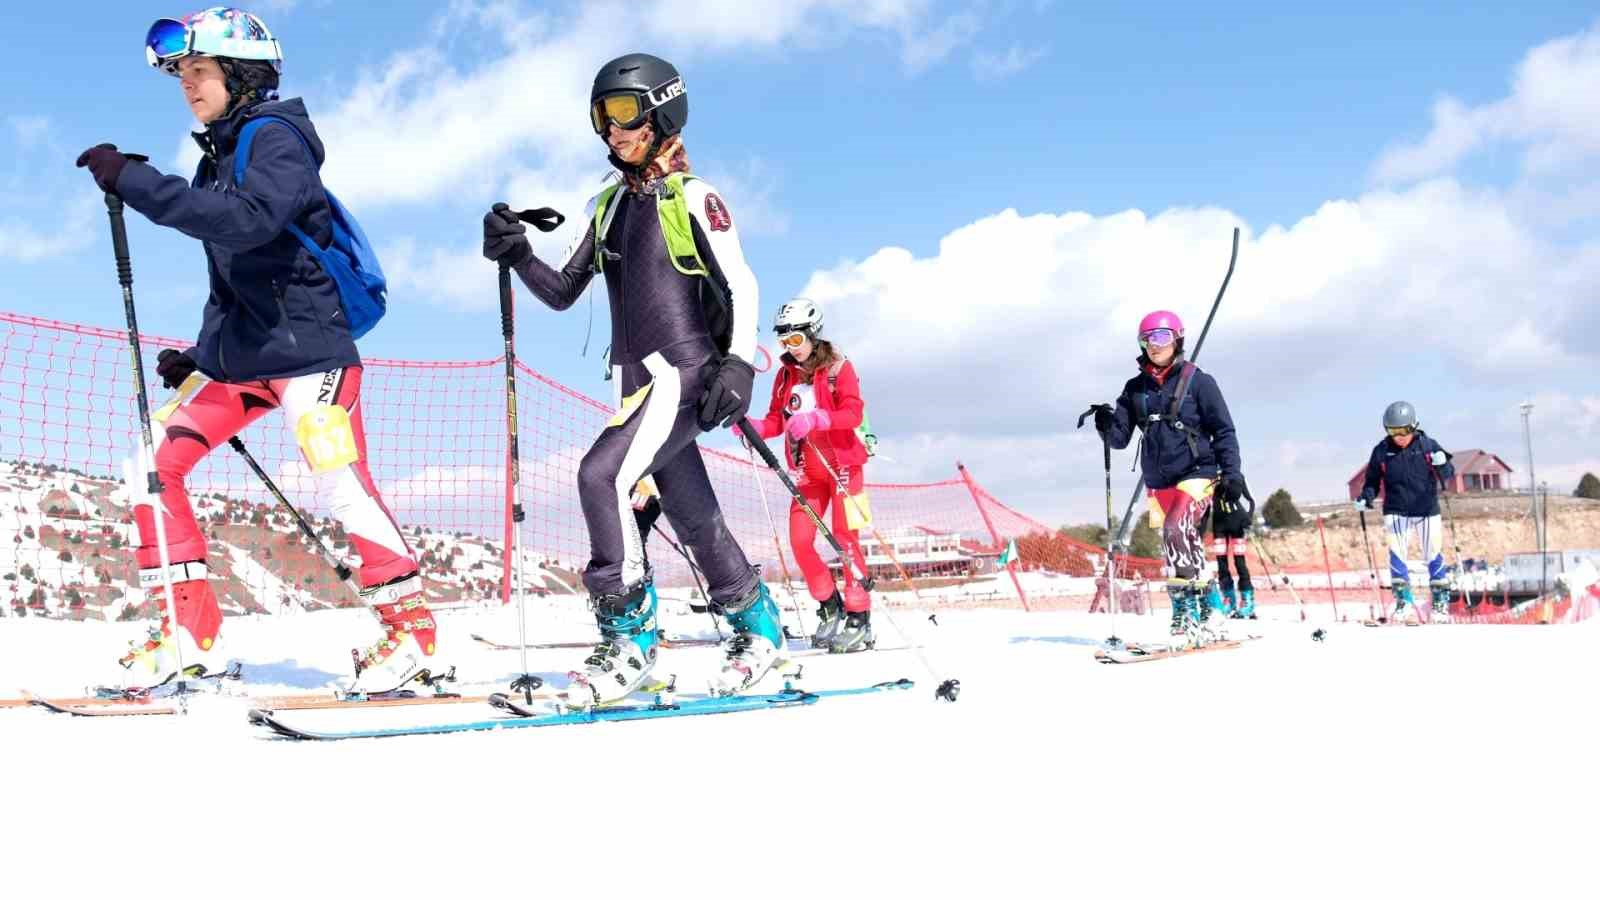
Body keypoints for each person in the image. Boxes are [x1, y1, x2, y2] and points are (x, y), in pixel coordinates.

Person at [75, 7, 429, 693]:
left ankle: (410, 630)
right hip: (244, 362)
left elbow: (251, 222)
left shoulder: (276, 139)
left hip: (312, 358)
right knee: (152, 461)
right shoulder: (216, 160)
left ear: (239, 75)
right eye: (181, 73)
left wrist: (138, 184)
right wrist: (202, 356)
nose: (187, 83)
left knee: (339, 481)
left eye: (199, 70)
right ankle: (189, 631)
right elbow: (236, 280)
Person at [482, 53, 780, 702]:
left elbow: (741, 283)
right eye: (599, 117)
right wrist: (518, 252)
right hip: (639, 383)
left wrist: (737, 364)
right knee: (693, 515)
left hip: (685, 371)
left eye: (620, 112)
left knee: (600, 475)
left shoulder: (694, 196)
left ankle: (631, 641)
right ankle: (759, 628)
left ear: (660, 109)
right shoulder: (609, 205)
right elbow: (563, 290)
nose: (609, 130)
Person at [1096, 310, 1245, 636]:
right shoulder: (1135, 389)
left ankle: (1186, 611)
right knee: (1179, 543)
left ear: (1177, 338)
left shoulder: (1199, 382)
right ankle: (1206, 610)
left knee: (1175, 528)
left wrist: (1231, 474)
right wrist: (1106, 424)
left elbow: (1224, 431)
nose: (1154, 344)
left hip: (1199, 473)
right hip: (1158, 479)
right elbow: (1119, 439)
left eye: (1161, 337)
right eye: (1147, 339)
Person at [747, 300, 874, 652]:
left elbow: (853, 411)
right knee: (801, 541)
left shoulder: (838, 368)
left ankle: (859, 615)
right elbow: (777, 419)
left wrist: (819, 418)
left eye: (796, 339)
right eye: (784, 341)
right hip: (808, 472)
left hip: (844, 466)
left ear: (813, 334)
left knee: (845, 539)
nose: (791, 348)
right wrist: (756, 427)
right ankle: (829, 604)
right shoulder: (785, 375)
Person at [1353, 401, 1456, 623]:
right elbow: (1371, 481)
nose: (1399, 436)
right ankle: (1403, 602)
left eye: (1404, 431)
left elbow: (1448, 474)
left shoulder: (1428, 445)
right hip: (1396, 510)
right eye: (1393, 431)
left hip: (1426, 509)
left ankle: (1439, 603)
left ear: (1414, 426)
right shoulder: (1382, 451)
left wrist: (1442, 463)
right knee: (1397, 555)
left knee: (1433, 554)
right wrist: (1365, 497)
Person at [1211, 485, 1256, 618]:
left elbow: (1251, 500)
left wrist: (1248, 517)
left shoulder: (1235, 474)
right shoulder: (1209, 476)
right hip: (1218, 524)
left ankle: (1247, 600)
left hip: (1238, 522)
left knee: (1239, 562)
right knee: (1221, 564)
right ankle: (1229, 600)